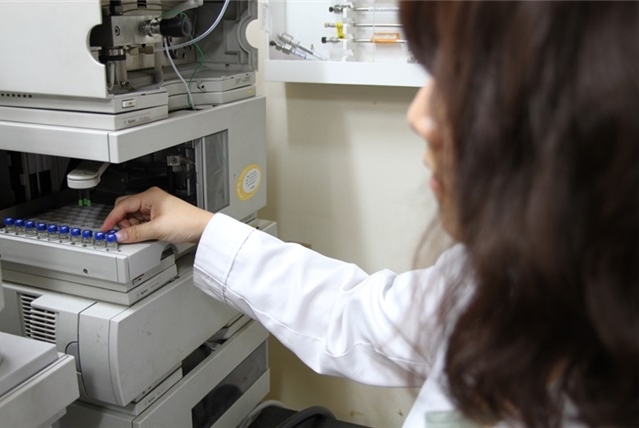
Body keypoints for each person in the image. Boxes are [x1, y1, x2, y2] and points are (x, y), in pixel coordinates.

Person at [102, 1, 638, 427]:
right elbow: (358, 317)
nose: (419, 115)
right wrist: (205, 228)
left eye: (466, 81)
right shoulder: (510, 276)